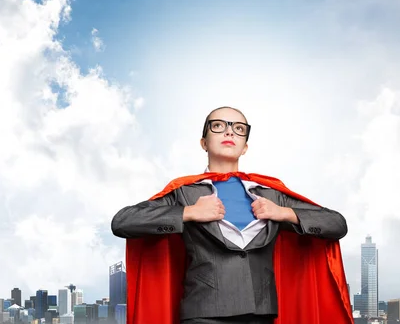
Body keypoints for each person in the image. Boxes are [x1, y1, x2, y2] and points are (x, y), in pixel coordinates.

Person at [111, 106, 352, 324]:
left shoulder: (273, 193)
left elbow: (337, 224)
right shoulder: (183, 192)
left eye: (238, 129)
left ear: (245, 146)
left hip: (261, 314)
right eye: (218, 126)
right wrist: (189, 213)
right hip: (204, 314)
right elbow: (123, 222)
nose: (229, 132)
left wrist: (285, 213)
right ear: (204, 142)